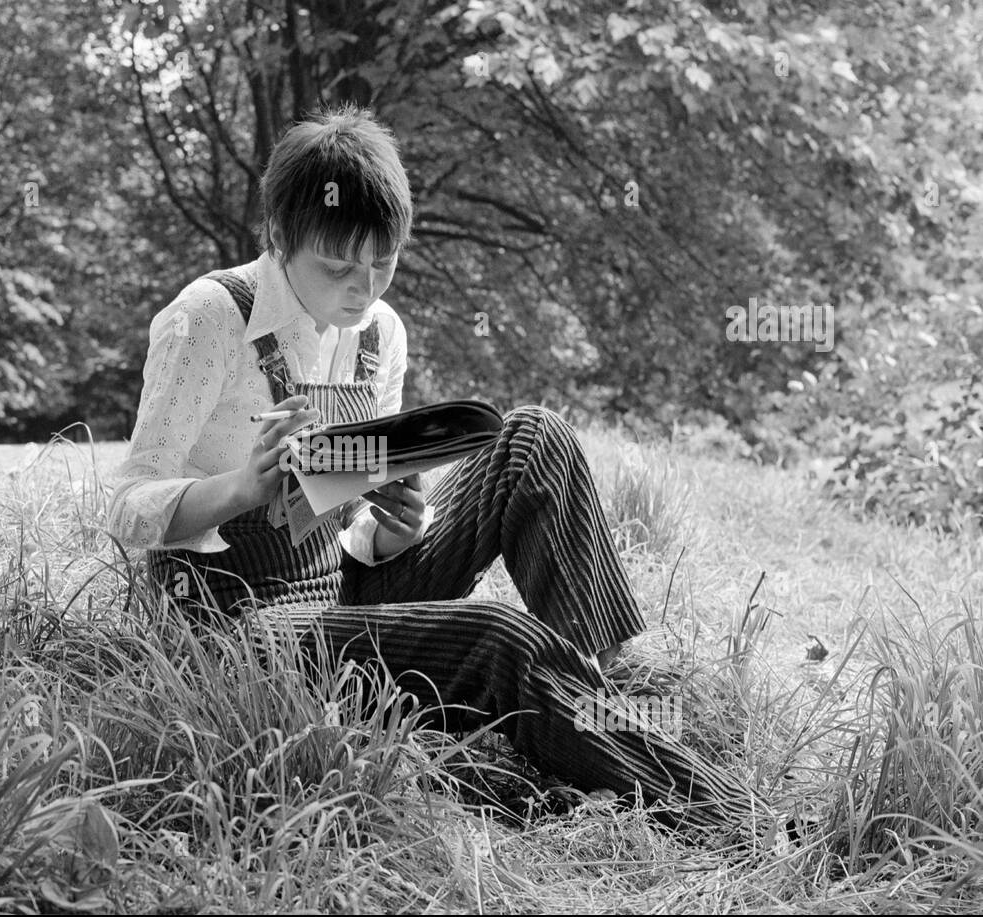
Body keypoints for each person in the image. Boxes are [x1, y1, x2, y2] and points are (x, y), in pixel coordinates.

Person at [107, 103, 770, 833]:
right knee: (495, 635)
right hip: (243, 628)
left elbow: (352, 518)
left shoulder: (378, 332)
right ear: (278, 237)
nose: (364, 291)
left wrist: (398, 529)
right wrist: (241, 487)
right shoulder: (206, 318)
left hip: (341, 586)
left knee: (532, 439)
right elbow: (130, 505)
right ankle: (721, 811)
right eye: (338, 267)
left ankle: (602, 685)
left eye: (382, 264)